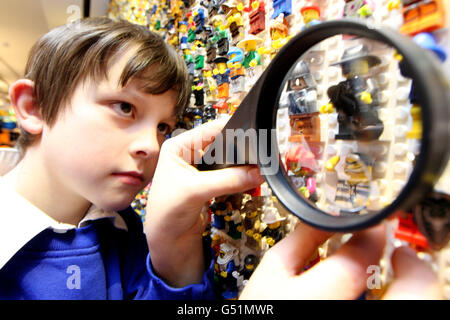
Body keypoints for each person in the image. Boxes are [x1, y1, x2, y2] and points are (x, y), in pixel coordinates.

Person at [0, 17, 441, 300]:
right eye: (125, 108)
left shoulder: (123, 230)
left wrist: (174, 256)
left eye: (164, 128)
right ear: (35, 107)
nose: (152, 147)